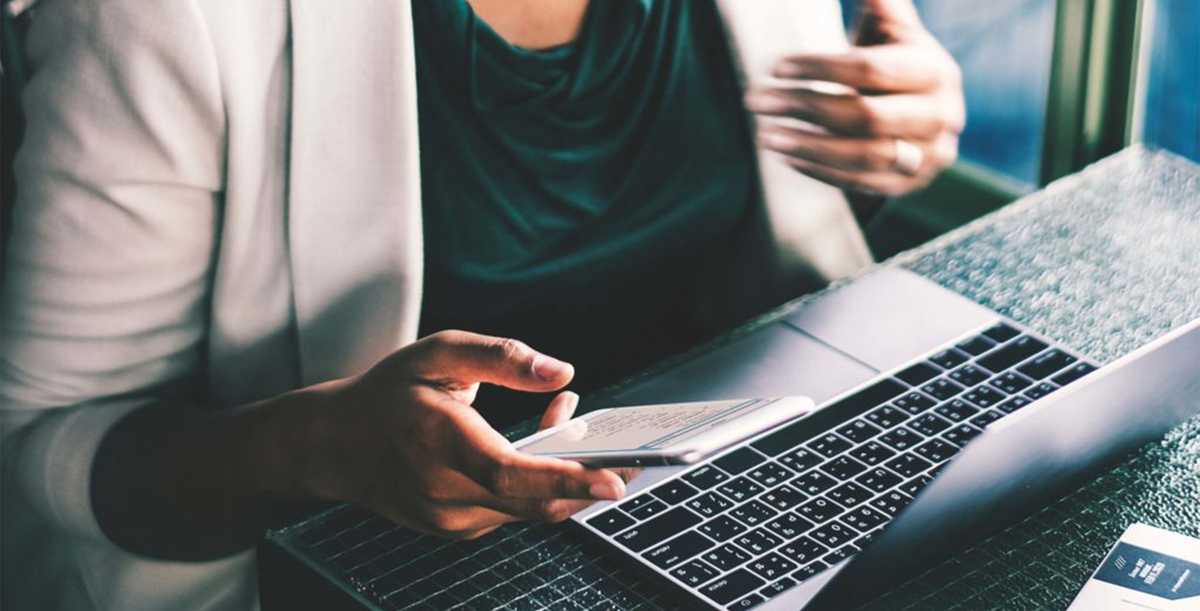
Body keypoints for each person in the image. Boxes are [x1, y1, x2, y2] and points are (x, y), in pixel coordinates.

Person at [0, 0, 963, 609]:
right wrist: (316, 449)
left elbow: (749, 213)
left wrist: (885, 147)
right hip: (401, 579)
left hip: (759, 513)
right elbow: (42, 443)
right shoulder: (165, 16)